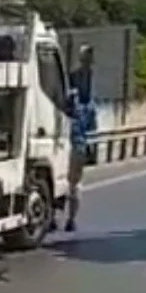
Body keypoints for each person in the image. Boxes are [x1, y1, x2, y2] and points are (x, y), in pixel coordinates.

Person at [65, 84, 97, 232]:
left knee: (55, 182)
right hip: (79, 147)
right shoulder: (89, 106)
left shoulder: (62, 99)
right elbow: (92, 128)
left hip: (61, 145)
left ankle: (51, 218)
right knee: (75, 185)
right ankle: (71, 220)